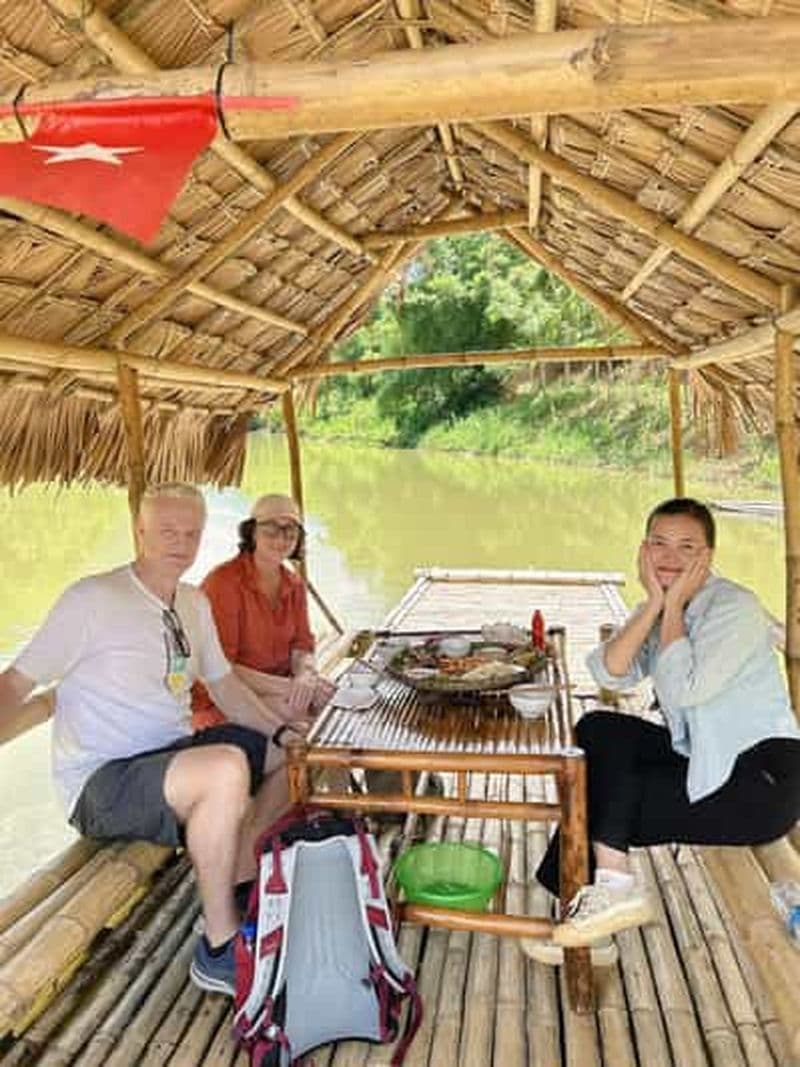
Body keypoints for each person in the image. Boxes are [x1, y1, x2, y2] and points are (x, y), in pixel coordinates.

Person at [0, 484, 305, 997]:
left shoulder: (190, 601)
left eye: (191, 533)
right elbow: (14, 684)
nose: (180, 543)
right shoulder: (93, 599)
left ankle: (236, 873)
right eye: (167, 531)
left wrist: (281, 731)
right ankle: (218, 943)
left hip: (171, 757)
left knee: (292, 756)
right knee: (227, 766)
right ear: (140, 532)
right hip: (103, 781)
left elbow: (225, 685)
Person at [537, 496, 800, 950]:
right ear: (643, 549)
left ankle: (605, 899)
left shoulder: (734, 608)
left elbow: (685, 690)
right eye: (658, 543)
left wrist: (672, 606)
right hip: (704, 756)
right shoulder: (663, 605)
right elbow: (607, 672)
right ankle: (596, 904)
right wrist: (656, 602)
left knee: (605, 791)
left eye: (686, 547)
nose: (669, 557)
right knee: (599, 729)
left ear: (708, 557)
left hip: (763, 782)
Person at [192, 493, 334, 731]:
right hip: (223, 700)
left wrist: (306, 677)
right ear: (252, 532)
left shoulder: (294, 583)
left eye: (290, 530)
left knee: (335, 701)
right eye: (271, 529)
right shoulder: (224, 582)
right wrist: (289, 688)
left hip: (280, 689)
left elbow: (302, 646)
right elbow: (219, 667)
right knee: (302, 720)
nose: (281, 538)